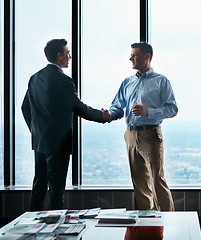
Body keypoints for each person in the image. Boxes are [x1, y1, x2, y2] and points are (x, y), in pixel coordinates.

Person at [21, 39, 110, 211]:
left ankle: (31, 227)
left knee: (38, 187)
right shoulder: (63, 80)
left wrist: (36, 130)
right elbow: (78, 107)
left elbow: (25, 107)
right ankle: (55, 229)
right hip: (58, 143)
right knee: (56, 190)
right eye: (67, 53)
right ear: (59, 55)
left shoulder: (34, 78)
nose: (70, 56)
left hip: (40, 142)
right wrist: (102, 116)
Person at [107, 42, 177, 211]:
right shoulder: (127, 82)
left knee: (157, 180)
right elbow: (117, 106)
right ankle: (148, 224)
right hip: (130, 135)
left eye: (134, 55)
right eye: (131, 55)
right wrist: (106, 115)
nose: (130, 58)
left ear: (147, 57)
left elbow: (172, 109)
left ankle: (169, 221)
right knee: (139, 182)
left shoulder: (161, 81)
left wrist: (148, 112)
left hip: (151, 134)